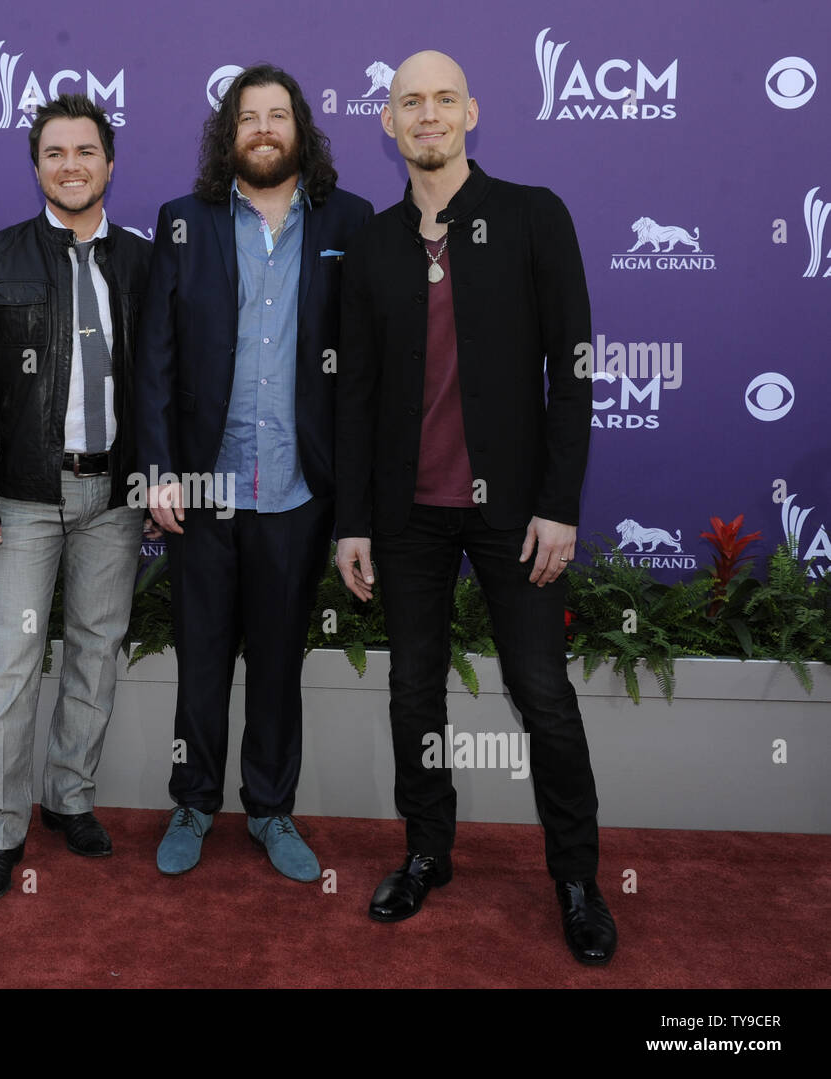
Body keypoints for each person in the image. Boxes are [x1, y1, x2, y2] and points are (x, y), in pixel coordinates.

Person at [333, 50, 616, 964]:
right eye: (409, 102)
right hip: (407, 514)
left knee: (542, 693)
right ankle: (426, 851)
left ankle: (576, 877)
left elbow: (572, 375)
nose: (427, 115)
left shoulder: (534, 216)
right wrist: (354, 520)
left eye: (443, 99)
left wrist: (560, 504)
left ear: (471, 113)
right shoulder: (371, 244)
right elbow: (356, 397)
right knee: (414, 692)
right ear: (387, 122)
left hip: (516, 516)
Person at [137, 65, 373, 882]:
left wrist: (355, 505)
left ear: (300, 128)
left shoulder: (351, 220)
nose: (264, 129)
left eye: (278, 116)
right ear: (227, 134)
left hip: (299, 491)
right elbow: (156, 363)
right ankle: (194, 800)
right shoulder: (184, 221)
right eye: (249, 118)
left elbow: (366, 374)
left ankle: (271, 809)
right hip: (204, 491)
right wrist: (159, 471)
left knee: (277, 662)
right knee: (202, 658)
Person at [0, 94, 150, 903]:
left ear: (109, 162)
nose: (71, 165)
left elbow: (162, 384)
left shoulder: (140, 262)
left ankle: (68, 798)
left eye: (86, 151)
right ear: (36, 166)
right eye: (55, 152)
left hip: (117, 495)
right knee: (13, 663)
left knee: (97, 650)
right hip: (24, 496)